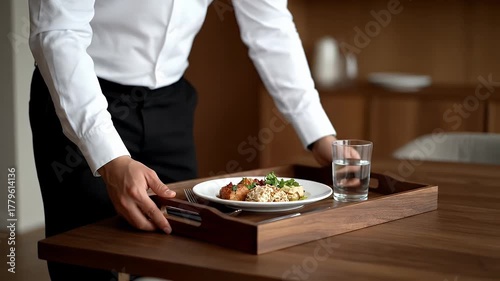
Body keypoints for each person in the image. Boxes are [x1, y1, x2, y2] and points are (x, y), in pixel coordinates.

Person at [28, 1, 338, 280]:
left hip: (170, 105)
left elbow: (271, 29)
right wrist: (110, 157)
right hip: (80, 96)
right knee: (85, 261)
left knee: (178, 256)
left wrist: (319, 134)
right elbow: (58, 31)